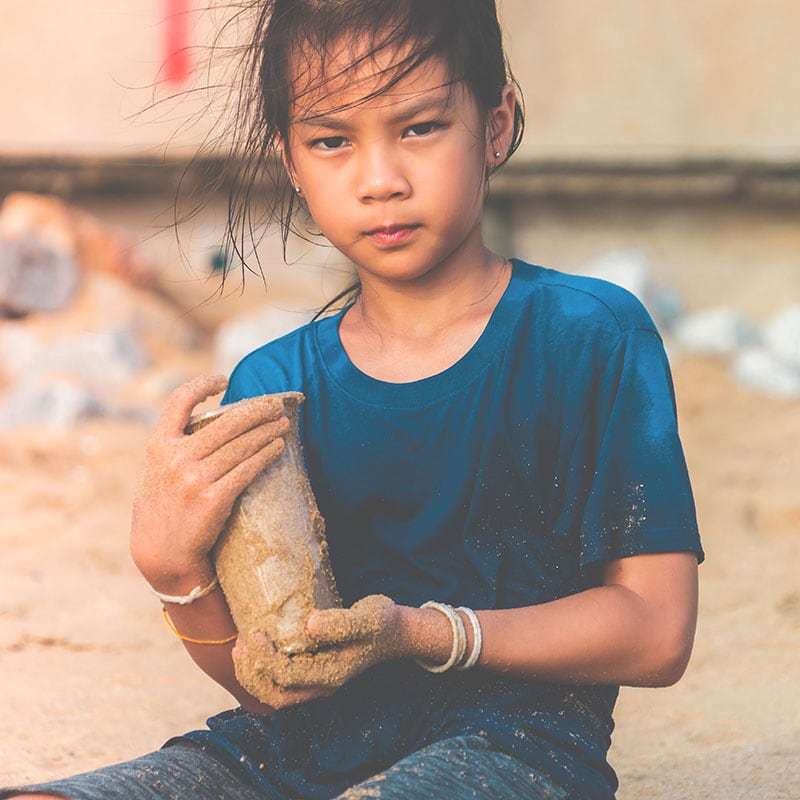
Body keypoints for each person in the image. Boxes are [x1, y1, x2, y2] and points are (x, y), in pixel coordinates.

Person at [4, 1, 703, 798]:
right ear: (292, 162)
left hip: (514, 752)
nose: (380, 182)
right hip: (280, 758)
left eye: (420, 128)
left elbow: (656, 630)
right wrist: (172, 571)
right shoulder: (275, 387)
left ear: (497, 122)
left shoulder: (586, 336)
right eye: (332, 141)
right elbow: (272, 680)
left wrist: (420, 632)